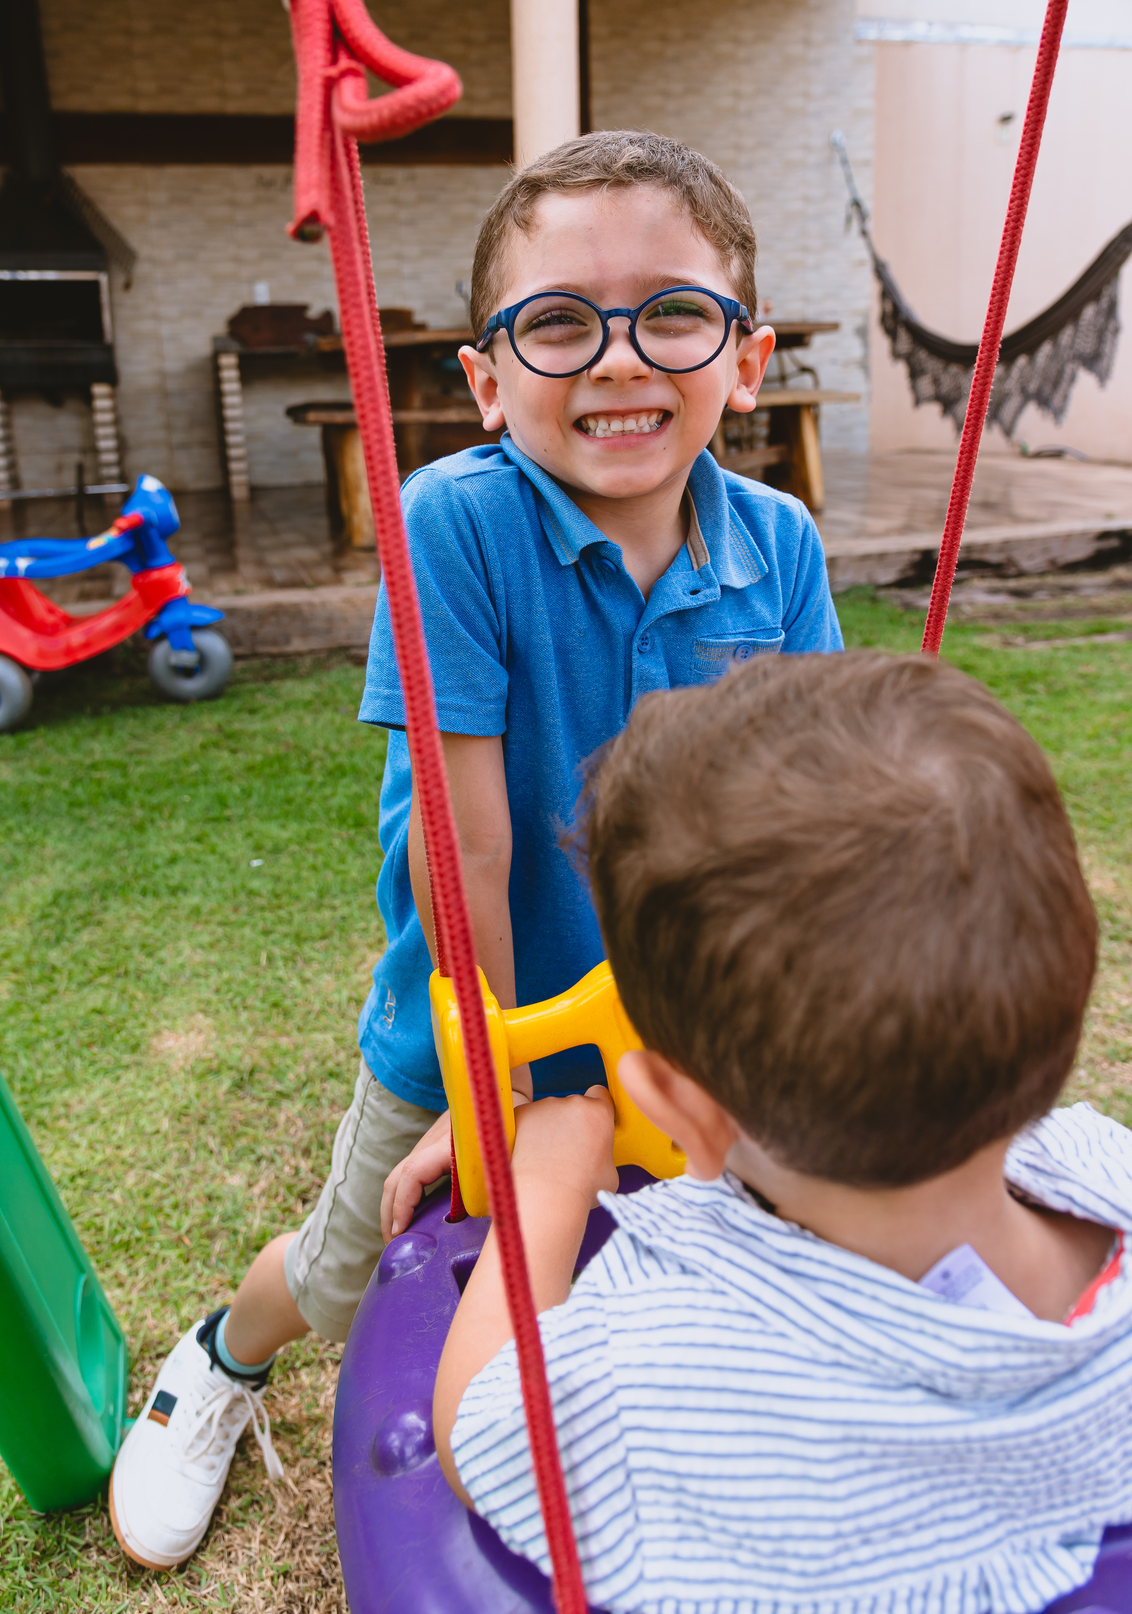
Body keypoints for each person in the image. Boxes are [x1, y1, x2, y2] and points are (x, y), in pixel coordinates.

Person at [109, 129, 843, 1569]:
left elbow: (803, 800)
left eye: (672, 315)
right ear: (489, 379)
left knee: (704, 1252)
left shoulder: (780, 542)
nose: (618, 360)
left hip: (689, 1021)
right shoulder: (453, 524)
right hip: (474, 1006)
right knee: (349, 1267)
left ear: (744, 358)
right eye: (559, 322)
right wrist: (484, 1075)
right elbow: (471, 841)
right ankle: (220, 1355)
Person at [434, 649, 1132, 1614]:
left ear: (685, 1115)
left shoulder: (665, 1393)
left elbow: (479, 1423)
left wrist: (544, 1195)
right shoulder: (1104, 1163)